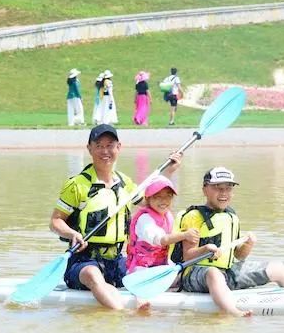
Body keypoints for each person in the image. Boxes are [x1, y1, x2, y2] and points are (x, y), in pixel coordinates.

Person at [50, 124, 184, 310]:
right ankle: (119, 314)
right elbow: (56, 221)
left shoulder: (125, 183)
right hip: (84, 260)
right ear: (89, 148)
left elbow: (154, 202)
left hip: (117, 260)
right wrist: (72, 234)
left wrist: (169, 172)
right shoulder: (76, 185)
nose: (105, 151)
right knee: (93, 275)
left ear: (118, 148)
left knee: (174, 278)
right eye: (99, 146)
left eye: (110, 145)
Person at [177, 167, 284, 317]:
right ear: (205, 190)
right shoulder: (194, 216)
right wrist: (206, 249)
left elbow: (239, 256)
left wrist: (248, 245)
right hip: (195, 275)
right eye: (218, 188)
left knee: (277, 267)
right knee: (214, 273)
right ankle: (234, 312)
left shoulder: (231, 216)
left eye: (228, 189)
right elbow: (187, 256)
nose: (224, 193)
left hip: (226, 273)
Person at [124, 175, 199, 310]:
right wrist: (185, 235)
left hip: (161, 265)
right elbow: (162, 240)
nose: (164, 201)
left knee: (186, 274)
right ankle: (141, 301)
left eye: (168, 196)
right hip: (141, 267)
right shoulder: (145, 219)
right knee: (141, 280)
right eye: (158, 197)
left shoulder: (168, 216)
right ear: (148, 199)